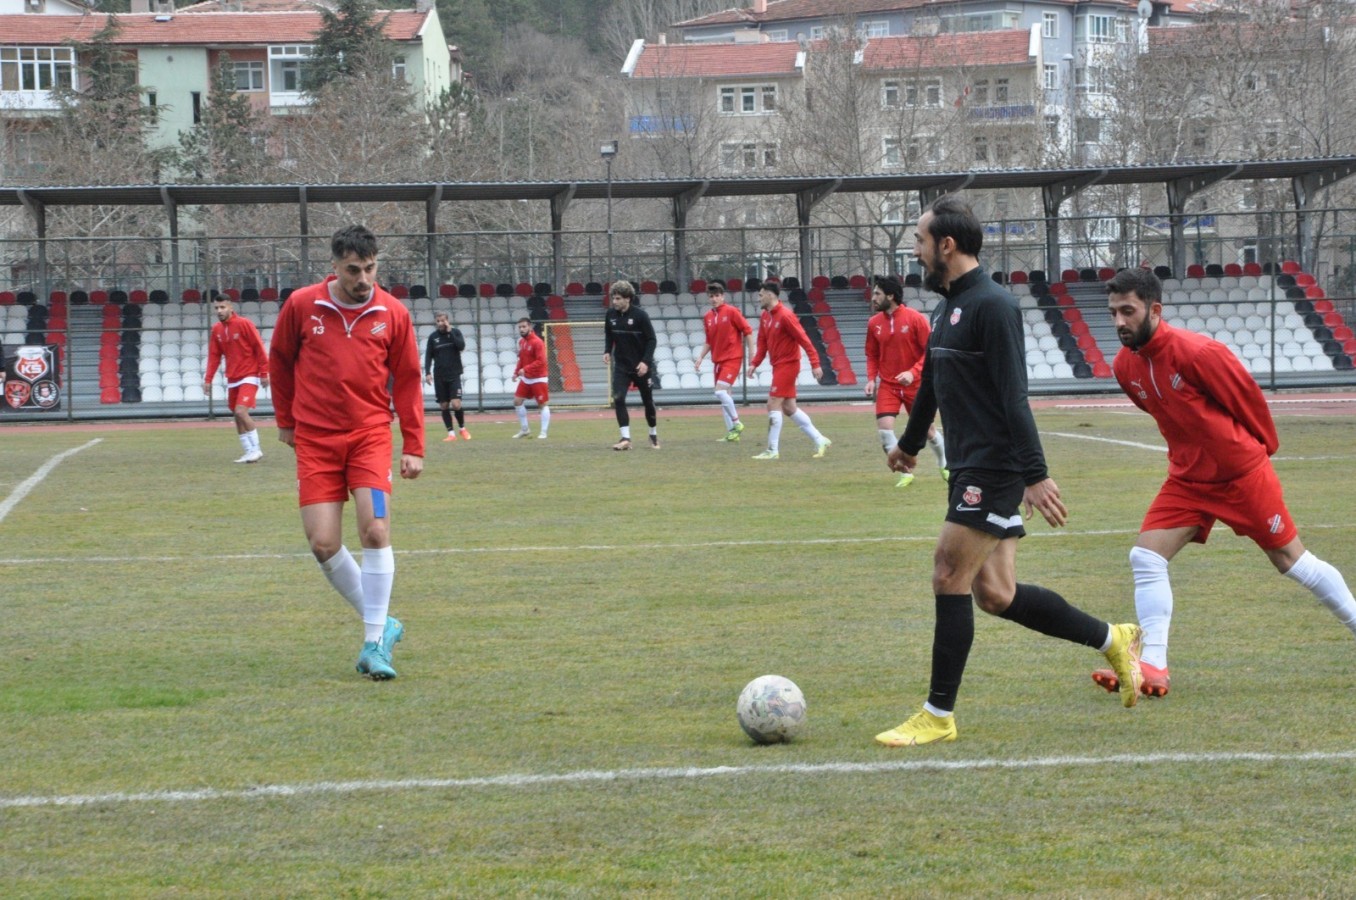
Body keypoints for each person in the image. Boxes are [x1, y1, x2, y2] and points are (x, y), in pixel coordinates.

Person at [875, 195, 1143, 747]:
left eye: (921, 242)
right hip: (970, 463)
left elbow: (1012, 395)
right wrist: (908, 445)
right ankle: (1112, 637)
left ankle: (937, 714)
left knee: (948, 572)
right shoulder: (947, 308)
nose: (917, 252)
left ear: (947, 245)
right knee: (995, 593)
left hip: (993, 466)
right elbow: (930, 384)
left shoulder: (994, 306)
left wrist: (1035, 473)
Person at [1090, 267, 1356, 698]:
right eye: (1113, 312)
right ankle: (1153, 665)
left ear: (1154, 310)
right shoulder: (1125, 366)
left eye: (1128, 311)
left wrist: (1251, 459)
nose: (1119, 321)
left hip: (1239, 477)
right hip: (1187, 481)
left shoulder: (1198, 353)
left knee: (1291, 560)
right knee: (1145, 557)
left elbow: (1249, 403)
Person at [268, 224, 424, 681]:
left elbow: (410, 379)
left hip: (370, 438)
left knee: (375, 530)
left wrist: (413, 444)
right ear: (334, 266)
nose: (363, 279)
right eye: (353, 270)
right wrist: (285, 421)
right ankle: (384, 622)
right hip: (315, 442)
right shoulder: (302, 305)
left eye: (370, 268)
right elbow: (279, 361)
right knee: (322, 543)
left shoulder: (392, 313)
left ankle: (374, 643)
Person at [865, 275, 947, 487]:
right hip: (888, 385)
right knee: (884, 430)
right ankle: (905, 471)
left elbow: (929, 352)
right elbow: (872, 354)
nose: (872, 298)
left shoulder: (915, 318)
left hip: (916, 384)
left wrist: (912, 372)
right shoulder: (874, 323)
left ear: (890, 296)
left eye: (877, 294)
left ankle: (944, 463)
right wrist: (871, 379)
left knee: (928, 430)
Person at [746, 281, 830, 460]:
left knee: (772, 403)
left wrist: (815, 363)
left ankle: (772, 450)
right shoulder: (766, 316)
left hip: (789, 365)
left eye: (761, 295)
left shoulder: (786, 316)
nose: (758, 298)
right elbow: (762, 343)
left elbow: (804, 340)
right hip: (778, 366)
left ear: (771, 295)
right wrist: (755, 363)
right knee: (789, 407)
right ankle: (819, 439)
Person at [204, 293, 269, 463]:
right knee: (236, 415)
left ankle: (257, 449)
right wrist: (208, 379)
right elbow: (214, 356)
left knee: (241, 411)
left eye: (222, 307)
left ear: (231, 307)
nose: (219, 310)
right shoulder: (217, 329)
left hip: (250, 374)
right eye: (217, 308)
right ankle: (248, 451)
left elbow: (259, 348)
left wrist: (264, 373)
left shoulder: (244, 324)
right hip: (233, 377)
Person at [693, 279, 754, 442]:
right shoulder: (707, 317)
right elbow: (709, 340)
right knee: (724, 397)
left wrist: (752, 356)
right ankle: (732, 434)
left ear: (723, 296)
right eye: (711, 296)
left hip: (733, 358)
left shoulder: (732, 312)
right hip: (717, 361)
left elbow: (748, 331)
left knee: (720, 392)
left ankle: (737, 423)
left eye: (717, 295)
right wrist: (700, 357)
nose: (714, 299)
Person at [603, 280, 660, 450]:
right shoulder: (610, 315)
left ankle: (653, 435)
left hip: (640, 366)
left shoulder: (641, 316)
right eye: (613, 298)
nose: (614, 302)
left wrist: (645, 362)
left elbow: (652, 340)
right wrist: (607, 350)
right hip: (621, 366)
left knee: (647, 401)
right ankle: (625, 438)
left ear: (628, 298)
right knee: (618, 398)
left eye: (618, 298)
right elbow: (609, 334)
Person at [425, 311, 470, 442]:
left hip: (454, 374)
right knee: (444, 405)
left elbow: (461, 346)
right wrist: (427, 372)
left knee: (456, 404)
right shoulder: (433, 337)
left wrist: (450, 331)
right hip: (439, 375)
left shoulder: (455, 332)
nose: (440, 323)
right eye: (438, 321)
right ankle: (451, 433)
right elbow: (428, 355)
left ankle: (462, 428)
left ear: (447, 321)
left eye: (442, 321)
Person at [511, 317, 550, 439]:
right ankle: (525, 429)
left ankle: (543, 432)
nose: (521, 329)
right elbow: (521, 360)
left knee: (542, 404)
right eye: (520, 327)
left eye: (524, 327)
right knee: (517, 401)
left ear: (530, 327)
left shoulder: (537, 342)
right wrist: (516, 372)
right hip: (527, 378)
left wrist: (525, 369)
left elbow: (541, 361)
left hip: (538, 378)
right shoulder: (522, 342)